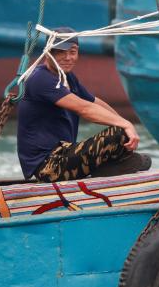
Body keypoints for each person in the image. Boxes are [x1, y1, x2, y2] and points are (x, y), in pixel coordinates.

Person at [17, 27, 150, 182]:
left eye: (72, 52)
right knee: (120, 133)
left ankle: (106, 168)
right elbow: (85, 109)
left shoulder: (67, 77)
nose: (68, 57)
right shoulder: (41, 79)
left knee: (136, 150)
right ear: (48, 53)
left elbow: (93, 102)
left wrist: (125, 125)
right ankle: (105, 168)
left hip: (65, 154)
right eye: (61, 52)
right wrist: (125, 125)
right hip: (49, 166)